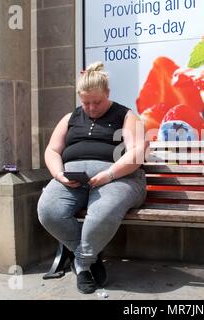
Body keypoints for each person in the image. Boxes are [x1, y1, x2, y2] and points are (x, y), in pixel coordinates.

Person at [37, 62, 148, 294]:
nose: (91, 108)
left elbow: (137, 152)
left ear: (107, 93)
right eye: (85, 102)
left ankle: (83, 264)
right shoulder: (70, 118)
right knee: (49, 210)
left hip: (120, 176)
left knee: (102, 212)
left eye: (96, 102)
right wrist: (59, 174)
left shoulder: (126, 115)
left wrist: (109, 174)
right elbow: (52, 151)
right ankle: (91, 254)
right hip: (74, 179)